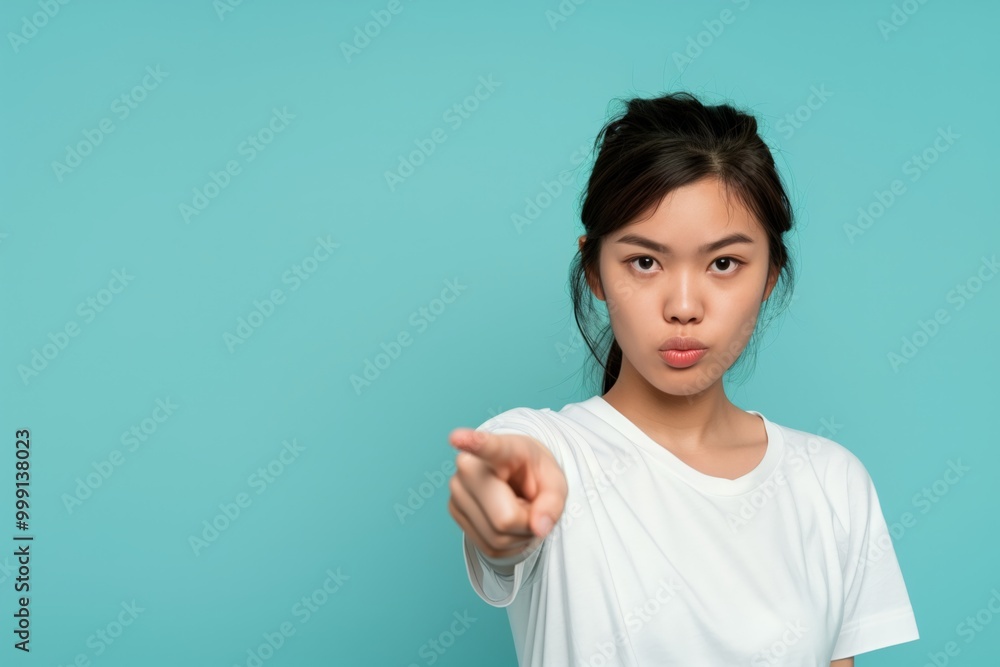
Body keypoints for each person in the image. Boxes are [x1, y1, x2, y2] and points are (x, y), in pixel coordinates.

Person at [446, 91, 919, 666]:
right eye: (645, 261)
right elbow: (507, 486)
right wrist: (504, 521)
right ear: (594, 268)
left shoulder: (832, 482)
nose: (684, 306)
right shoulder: (551, 453)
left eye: (724, 263)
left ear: (770, 274)